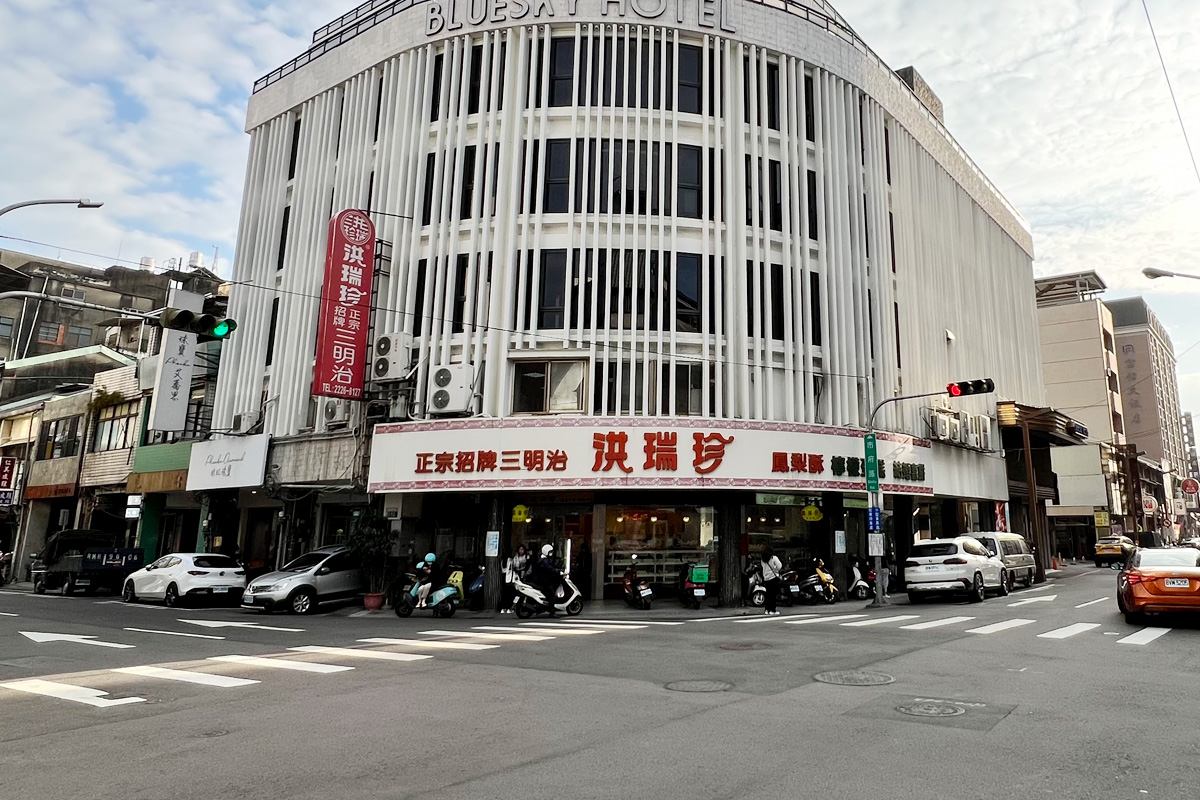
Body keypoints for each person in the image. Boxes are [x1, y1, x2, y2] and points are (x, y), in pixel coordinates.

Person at [760, 545, 783, 615]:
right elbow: (779, 566)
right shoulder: (773, 558)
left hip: (766, 578)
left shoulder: (763, 559)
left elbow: (762, 567)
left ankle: (767, 609)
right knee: (773, 595)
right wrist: (775, 569)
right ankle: (772, 610)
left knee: (768, 594)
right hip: (773, 578)